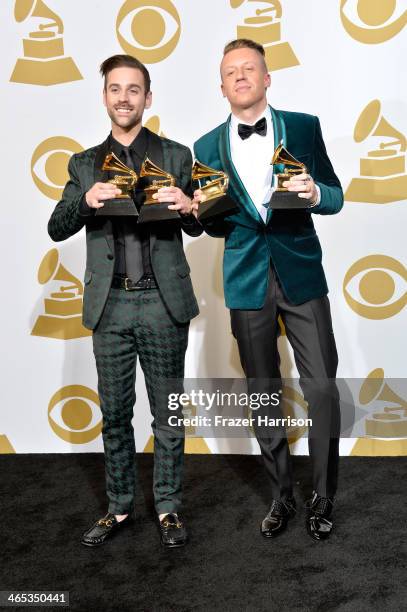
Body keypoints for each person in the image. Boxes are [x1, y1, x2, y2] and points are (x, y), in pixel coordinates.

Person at [48, 54, 202, 548]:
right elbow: (56, 226)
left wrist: (188, 206)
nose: (124, 98)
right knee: (115, 413)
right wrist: (85, 200)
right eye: (116, 89)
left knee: (167, 413)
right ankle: (118, 507)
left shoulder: (178, 156)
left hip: (163, 302)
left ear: (148, 98)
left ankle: (169, 508)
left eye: (134, 89)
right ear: (105, 97)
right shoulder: (83, 163)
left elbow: (208, 220)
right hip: (109, 306)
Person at [193, 39, 343, 541]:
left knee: (321, 386)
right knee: (263, 392)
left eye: (249, 68)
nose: (241, 76)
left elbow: (335, 195)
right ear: (221, 86)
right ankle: (282, 495)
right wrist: (201, 213)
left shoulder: (304, 126)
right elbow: (219, 227)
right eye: (231, 71)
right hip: (245, 279)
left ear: (266, 77)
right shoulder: (205, 146)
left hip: (301, 273)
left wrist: (316, 192)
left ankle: (323, 496)